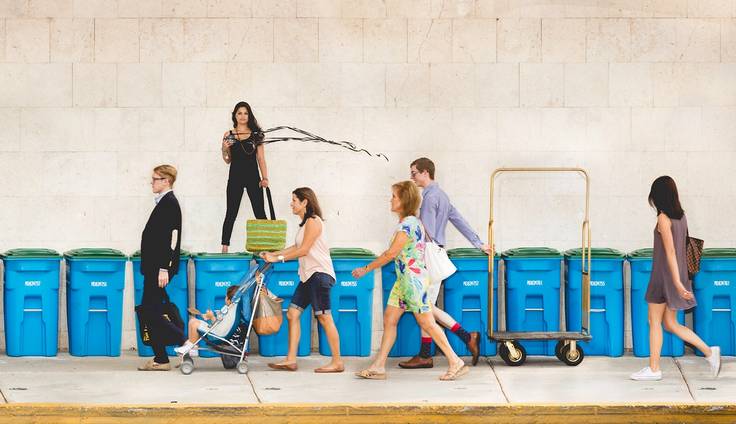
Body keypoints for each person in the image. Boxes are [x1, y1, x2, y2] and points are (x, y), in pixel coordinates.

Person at [352, 181, 468, 381]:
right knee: (390, 319)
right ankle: (379, 366)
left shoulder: (408, 224)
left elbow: (391, 254)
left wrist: (366, 269)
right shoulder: (408, 222)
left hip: (413, 282)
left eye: (394, 196)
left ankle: (455, 361)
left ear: (404, 200)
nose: (391, 199)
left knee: (427, 322)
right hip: (404, 282)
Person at [402, 157, 490, 368]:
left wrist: (414, 254)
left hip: (427, 255)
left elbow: (425, 231)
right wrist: (479, 243)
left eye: (414, 173)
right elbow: (459, 220)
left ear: (425, 172)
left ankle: (466, 337)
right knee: (425, 306)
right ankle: (428, 353)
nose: (412, 177)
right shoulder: (442, 195)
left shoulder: (429, 198)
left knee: (424, 306)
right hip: (438, 253)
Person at [630, 176, 721, 381]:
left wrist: (676, 283)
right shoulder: (682, 217)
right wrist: (679, 280)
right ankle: (709, 352)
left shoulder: (663, 218)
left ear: (657, 196)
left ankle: (654, 369)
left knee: (654, 321)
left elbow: (670, 252)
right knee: (670, 324)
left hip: (664, 277)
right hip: (676, 274)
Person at [260, 187, 344, 373]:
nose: (291, 204)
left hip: (319, 275)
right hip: (308, 276)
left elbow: (303, 250)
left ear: (305, 202)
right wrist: (273, 253)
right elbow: (295, 247)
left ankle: (337, 362)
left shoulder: (314, 221)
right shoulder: (304, 225)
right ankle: (291, 360)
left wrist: (278, 259)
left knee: (324, 317)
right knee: (292, 313)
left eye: (294, 200)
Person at [138, 165, 184, 371]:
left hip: (159, 269)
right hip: (154, 268)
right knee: (151, 311)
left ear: (166, 181)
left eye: (156, 179)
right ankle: (161, 358)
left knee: (150, 311)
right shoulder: (163, 203)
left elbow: (172, 239)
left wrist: (164, 268)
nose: (152, 182)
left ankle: (184, 340)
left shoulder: (170, 204)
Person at [221, 101, 269, 253]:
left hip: (253, 177)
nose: (242, 116)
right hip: (235, 177)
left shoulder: (256, 135)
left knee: (259, 211)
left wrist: (265, 178)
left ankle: (267, 246)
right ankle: (224, 248)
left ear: (249, 115)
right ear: (235, 115)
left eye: (245, 113)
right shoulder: (229, 134)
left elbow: (261, 158)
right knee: (231, 212)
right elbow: (227, 160)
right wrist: (224, 148)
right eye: (239, 113)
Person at [174, 285, 238, 357]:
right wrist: (210, 317)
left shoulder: (230, 311)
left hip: (219, 333)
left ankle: (191, 348)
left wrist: (212, 317)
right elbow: (220, 323)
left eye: (226, 296)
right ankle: (191, 346)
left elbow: (219, 326)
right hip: (217, 330)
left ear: (229, 300)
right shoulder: (230, 309)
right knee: (192, 321)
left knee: (194, 324)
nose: (225, 298)